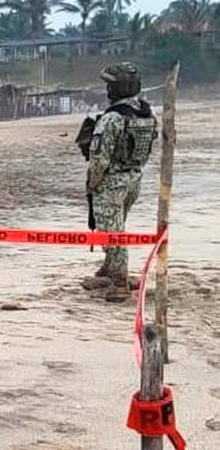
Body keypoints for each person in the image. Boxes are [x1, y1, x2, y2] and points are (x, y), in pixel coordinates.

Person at [81, 62, 158, 302]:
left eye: (110, 86)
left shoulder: (112, 118)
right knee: (117, 226)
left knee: (111, 232)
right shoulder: (147, 113)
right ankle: (109, 268)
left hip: (111, 182)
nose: (107, 90)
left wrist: (92, 184)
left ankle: (119, 281)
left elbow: (99, 159)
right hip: (134, 178)